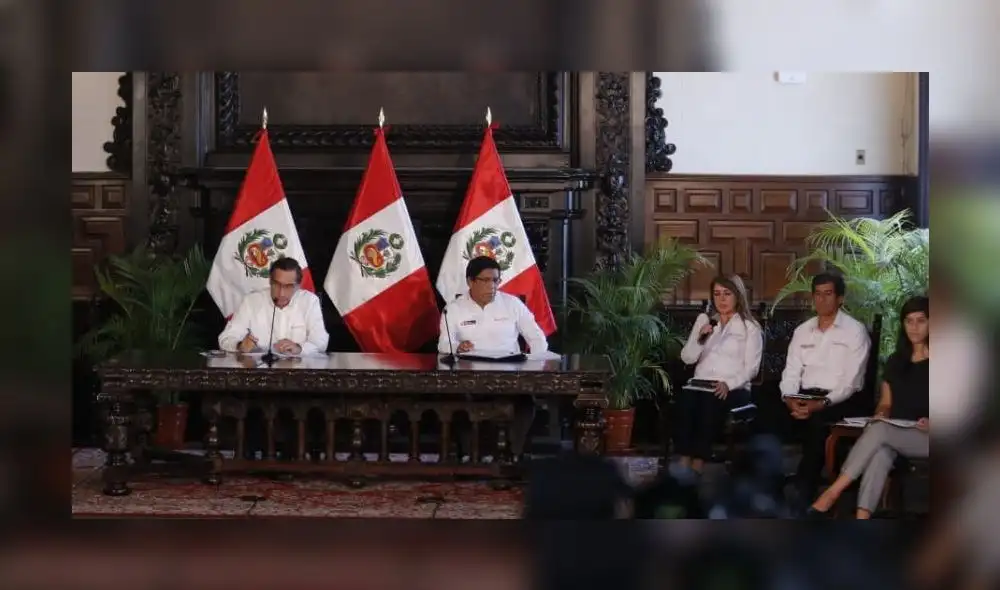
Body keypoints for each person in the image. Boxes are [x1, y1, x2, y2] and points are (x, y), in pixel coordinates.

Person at [807, 296, 930, 519]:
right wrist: (881, 415)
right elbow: (885, 403)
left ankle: (832, 492)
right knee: (881, 451)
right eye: (909, 321)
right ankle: (862, 520)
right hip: (897, 431)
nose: (914, 327)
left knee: (880, 432)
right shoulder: (896, 361)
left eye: (921, 321)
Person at [763, 272, 871, 503]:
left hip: (842, 399)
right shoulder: (803, 330)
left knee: (817, 423)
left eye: (828, 294)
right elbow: (791, 371)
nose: (822, 300)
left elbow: (850, 383)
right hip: (803, 394)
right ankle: (769, 484)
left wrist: (820, 404)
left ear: (840, 298)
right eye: (818, 295)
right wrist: (789, 398)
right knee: (765, 410)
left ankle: (805, 489)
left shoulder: (855, 331)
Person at [438, 256, 548, 461]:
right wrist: (456, 347)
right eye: (486, 280)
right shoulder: (453, 309)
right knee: (455, 401)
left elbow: (537, 338)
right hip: (469, 378)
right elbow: (444, 344)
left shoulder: (512, 304)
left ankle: (512, 454)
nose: (492, 286)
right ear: (470, 281)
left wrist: (532, 364)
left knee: (525, 403)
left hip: (509, 376)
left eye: (496, 280)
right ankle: (472, 455)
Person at [673, 274, 763, 474]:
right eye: (717, 294)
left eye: (727, 294)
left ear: (738, 296)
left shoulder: (750, 328)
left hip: (733, 387)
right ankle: (684, 461)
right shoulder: (705, 321)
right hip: (699, 384)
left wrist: (728, 384)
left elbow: (751, 369)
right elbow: (687, 358)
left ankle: (697, 465)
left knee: (708, 403)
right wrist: (700, 339)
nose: (721, 299)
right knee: (686, 403)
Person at [218, 257, 329, 355]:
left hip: (298, 373)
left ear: (298, 286)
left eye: (288, 286)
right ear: (270, 281)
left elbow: (321, 341)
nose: (281, 293)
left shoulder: (309, 301)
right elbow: (226, 338)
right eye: (276, 284)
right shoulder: (251, 301)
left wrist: (299, 348)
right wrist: (239, 345)